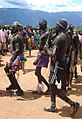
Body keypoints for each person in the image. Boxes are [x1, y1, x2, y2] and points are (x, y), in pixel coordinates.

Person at [43, 19, 80, 116]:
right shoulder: (66, 36)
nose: (55, 26)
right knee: (52, 85)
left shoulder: (59, 38)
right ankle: (53, 105)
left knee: (52, 87)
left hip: (57, 65)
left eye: (57, 25)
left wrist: (46, 49)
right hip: (61, 63)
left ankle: (72, 103)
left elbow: (53, 54)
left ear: (60, 26)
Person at [4, 22, 25, 96]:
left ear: (15, 28)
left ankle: (19, 90)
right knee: (8, 70)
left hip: (18, 57)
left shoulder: (17, 37)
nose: (11, 29)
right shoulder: (18, 35)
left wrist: (11, 61)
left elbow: (17, 50)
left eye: (12, 27)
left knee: (8, 69)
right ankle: (13, 84)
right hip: (18, 56)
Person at [33, 19, 49, 94]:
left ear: (43, 25)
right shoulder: (44, 33)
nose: (39, 26)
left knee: (37, 72)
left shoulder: (47, 33)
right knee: (37, 72)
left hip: (43, 54)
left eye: (40, 25)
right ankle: (39, 88)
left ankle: (48, 87)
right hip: (41, 53)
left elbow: (45, 45)